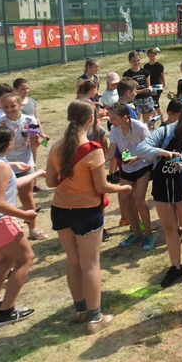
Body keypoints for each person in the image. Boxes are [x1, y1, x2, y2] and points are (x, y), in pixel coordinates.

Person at [46, 100, 131, 333]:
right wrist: (123, 188)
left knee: (73, 261)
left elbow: (51, 182)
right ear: (92, 120)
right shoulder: (93, 150)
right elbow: (101, 186)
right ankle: (95, 318)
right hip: (86, 211)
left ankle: (81, 309)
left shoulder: (56, 146)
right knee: (91, 264)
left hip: (60, 209)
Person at [135, 102, 182, 286]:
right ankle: (176, 267)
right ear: (181, 119)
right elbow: (140, 149)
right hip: (162, 187)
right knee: (170, 228)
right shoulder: (165, 132)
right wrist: (162, 152)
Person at [0, 126, 45, 327]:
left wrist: (36, 174)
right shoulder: (1, 167)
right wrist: (25, 215)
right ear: (6, 144)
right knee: (26, 258)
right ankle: (6, 312)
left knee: (6, 259)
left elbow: (11, 185)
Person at [106, 102, 154, 250]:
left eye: (113, 118)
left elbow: (151, 147)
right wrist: (93, 161)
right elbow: (110, 153)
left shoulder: (140, 127)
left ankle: (149, 235)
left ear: (125, 117)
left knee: (139, 201)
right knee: (124, 201)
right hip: (127, 168)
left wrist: (137, 157)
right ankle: (137, 233)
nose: (110, 121)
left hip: (143, 165)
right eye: (110, 118)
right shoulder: (114, 130)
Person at [0, 93, 45, 240]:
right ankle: (8, 230)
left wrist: (36, 139)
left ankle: (33, 229)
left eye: (13, 106)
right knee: (5, 199)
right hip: (6, 164)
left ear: (19, 105)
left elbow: (36, 145)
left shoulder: (30, 120)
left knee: (27, 197)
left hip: (25, 162)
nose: (9, 109)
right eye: (5, 107)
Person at [123, 51, 155, 124]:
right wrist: (144, 90)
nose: (136, 63)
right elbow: (130, 91)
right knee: (135, 122)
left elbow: (149, 85)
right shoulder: (127, 74)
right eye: (134, 61)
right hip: (135, 100)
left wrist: (150, 89)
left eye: (138, 60)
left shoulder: (145, 72)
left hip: (146, 99)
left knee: (147, 122)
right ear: (130, 61)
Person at [144, 48, 166, 116]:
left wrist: (164, 83)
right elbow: (146, 76)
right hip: (150, 85)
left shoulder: (159, 65)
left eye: (153, 55)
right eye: (150, 55)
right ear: (148, 55)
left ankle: (161, 119)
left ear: (155, 55)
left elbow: (162, 75)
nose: (152, 56)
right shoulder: (146, 66)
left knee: (155, 103)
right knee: (153, 103)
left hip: (157, 85)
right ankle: (155, 117)